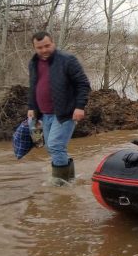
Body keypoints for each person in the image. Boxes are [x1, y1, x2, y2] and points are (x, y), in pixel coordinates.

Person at [28, 31, 91, 181]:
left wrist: (80, 106)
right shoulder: (33, 63)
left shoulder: (67, 60)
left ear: (53, 43)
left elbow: (83, 84)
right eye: (39, 47)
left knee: (55, 146)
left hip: (65, 113)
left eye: (47, 46)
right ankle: (69, 180)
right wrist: (32, 107)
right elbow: (33, 86)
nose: (44, 50)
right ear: (34, 48)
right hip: (45, 113)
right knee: (52, 148)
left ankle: (60, 183)